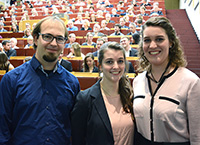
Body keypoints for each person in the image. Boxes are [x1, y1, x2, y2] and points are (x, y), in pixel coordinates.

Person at [0, 16, 80, 145]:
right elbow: (2, 131)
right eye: (47, 36)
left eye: (59, 38)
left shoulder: (72, 83)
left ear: (65, 43)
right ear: (36, 39)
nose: (54, 43)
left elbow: (75, 129)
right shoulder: (11, 80)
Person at [133, 16, 200, 144]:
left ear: (171, 43)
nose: (152, 45)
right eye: (147, 40)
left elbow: (197, 136)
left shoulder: (191, 82)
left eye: (159, 39)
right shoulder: (138, 81)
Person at [71, 42, 134, 145]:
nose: (116, 66)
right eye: (109, 62)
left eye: (120, 61)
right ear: (100, 66)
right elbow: (78, 139)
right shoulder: (85, 99)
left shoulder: (130, 96)